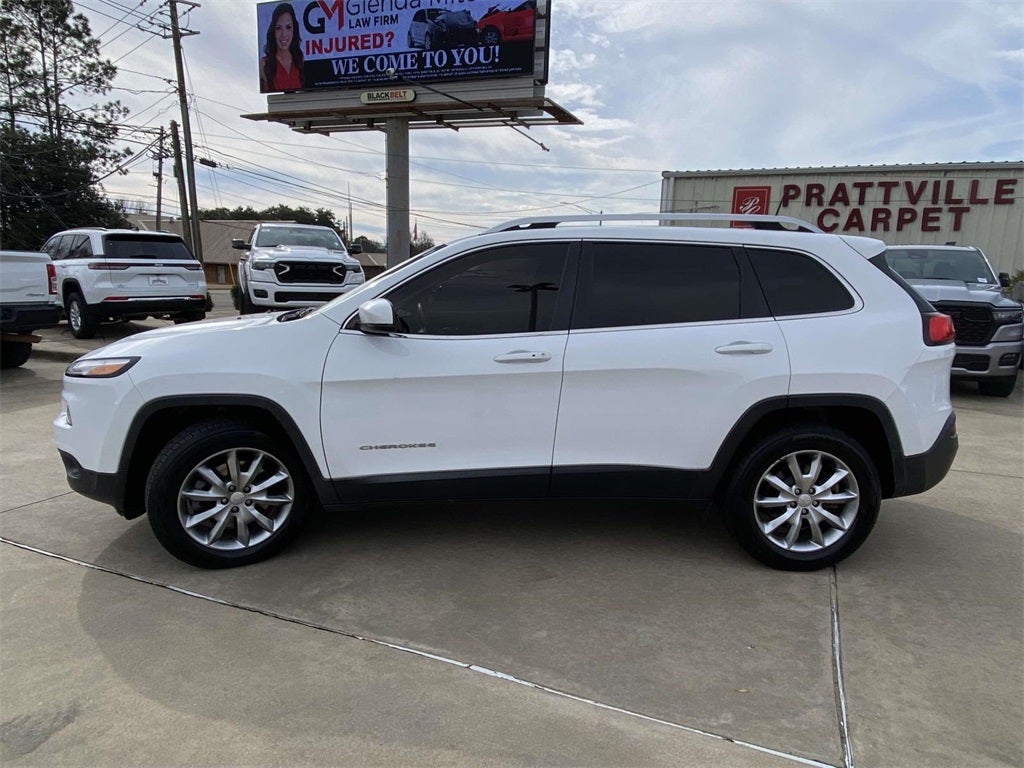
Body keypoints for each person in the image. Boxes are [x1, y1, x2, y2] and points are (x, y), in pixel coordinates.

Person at [259, 3, 304, 92]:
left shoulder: (299, 60)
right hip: (277, 104)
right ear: (273, 31)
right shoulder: (265, 63)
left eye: (288, 27)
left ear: (294, 30)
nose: (284, 34)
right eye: (278, 28)